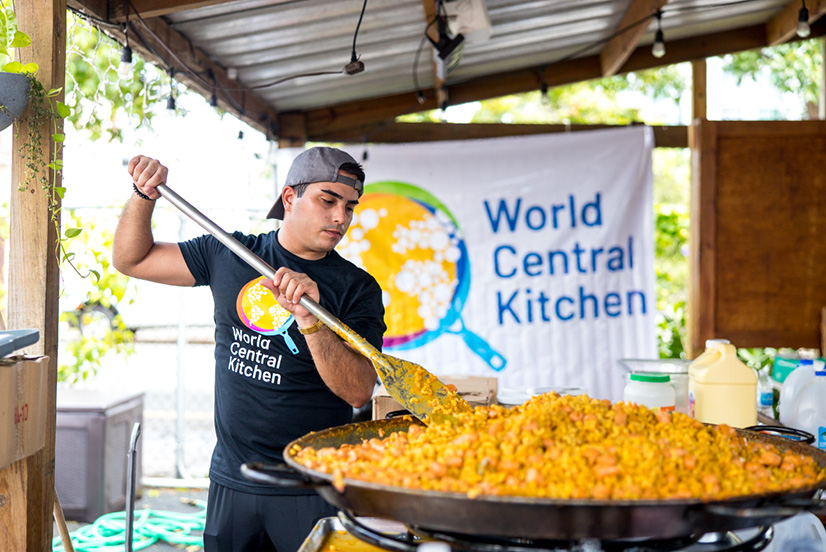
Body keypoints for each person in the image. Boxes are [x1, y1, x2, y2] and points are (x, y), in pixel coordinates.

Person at [113, 147, 386, 552]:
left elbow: (359, 390)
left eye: (349, 207)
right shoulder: (230, 253)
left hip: (311, 484)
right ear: (290, 198)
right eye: (327, 201)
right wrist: (143, 196)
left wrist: (311, 320)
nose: (340, 218)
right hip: (231, 479)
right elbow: (132, 260)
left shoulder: (357, 288)